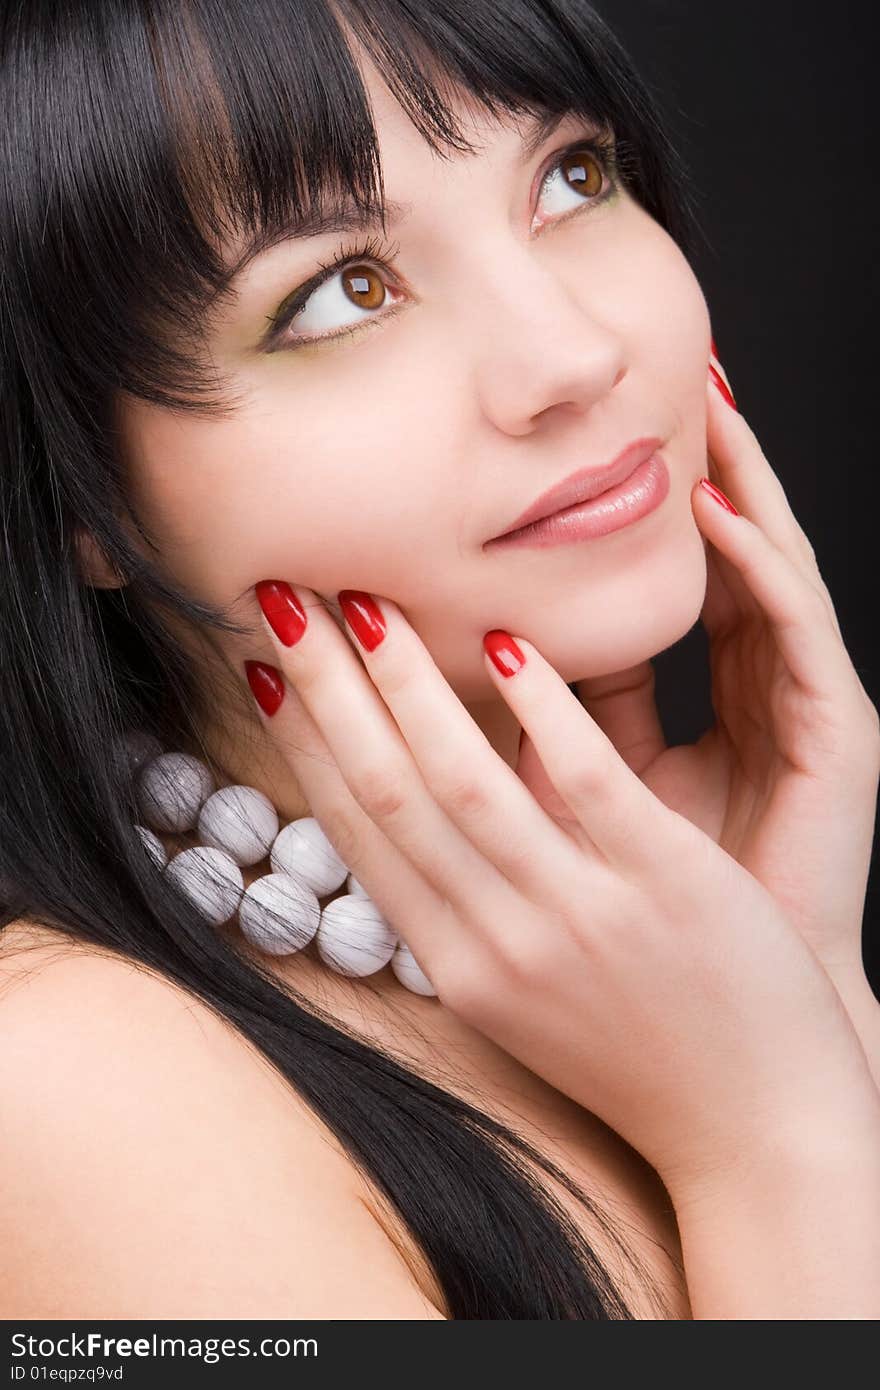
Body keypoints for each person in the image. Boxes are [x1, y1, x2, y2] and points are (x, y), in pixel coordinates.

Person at [2, 0, 879, 1322]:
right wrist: (772, 1131)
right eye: (343, 288)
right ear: (85, 498)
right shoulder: (68, 1091)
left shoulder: (685, 961)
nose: (572, 354)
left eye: (573, 175)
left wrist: (805, 981)